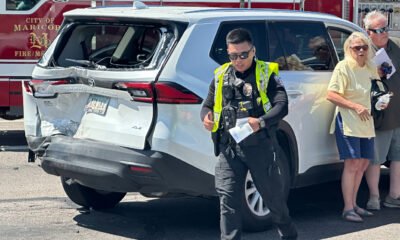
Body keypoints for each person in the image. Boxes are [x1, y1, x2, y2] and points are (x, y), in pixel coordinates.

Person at [200, 28, 297, 240]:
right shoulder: (221, 75)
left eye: (243, 55)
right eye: (233, 55)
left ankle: (289, 235)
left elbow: (282, 106)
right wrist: (206, 117)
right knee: (228, 200)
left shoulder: (266, 73)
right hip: (229, 147)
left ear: (253, 51)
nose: (239, 60)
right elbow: (207, 105)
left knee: (273, 199)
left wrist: (261, 122)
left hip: (259, 146)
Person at [326, 32, 379, 222]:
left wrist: (381, 101)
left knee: (364, 163)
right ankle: (347, 208)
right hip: (348, 120)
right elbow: (331, 95)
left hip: (366, 120)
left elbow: (375, 90)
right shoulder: (343, 67)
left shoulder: (371, 67)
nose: (361, 51)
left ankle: (355, 204)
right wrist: (355, 106)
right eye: (357, 48)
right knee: (352, 163)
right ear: (349, 49)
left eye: (364, 47)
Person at [363, 10, 400, 210]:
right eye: (379, 30)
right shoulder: (363, 50)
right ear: (368, 32)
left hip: (398, 111)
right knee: (375, 158)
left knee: (398, 156)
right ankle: (374, 197)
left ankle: (394, 195)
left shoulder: (395, 46)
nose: (384, 33)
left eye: (386, 28)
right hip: (379, 114)